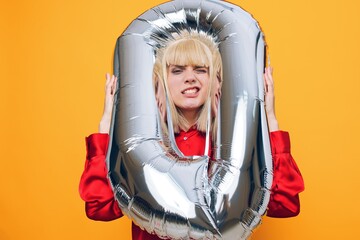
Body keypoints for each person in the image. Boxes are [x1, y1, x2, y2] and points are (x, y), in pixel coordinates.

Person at [79, 31, 304, 240]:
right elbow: (100, 208)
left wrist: (270, 119)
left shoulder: (232, 146)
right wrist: (107, 126)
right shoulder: (143, 147)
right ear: (162, 82)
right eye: (177, 70)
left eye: (200, 69)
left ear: (215, 81)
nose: (190, 78)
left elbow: (284, 206)